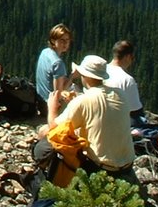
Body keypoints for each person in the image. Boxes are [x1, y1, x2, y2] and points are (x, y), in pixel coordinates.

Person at [38, 54, 137, 187]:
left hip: (100, 168)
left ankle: (48, 180)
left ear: (85, 76)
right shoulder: (121, 94)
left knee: (45, 132)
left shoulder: (83, 101)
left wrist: (52, 107)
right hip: (127, 166)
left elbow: (54, 127)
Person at [105, 40, 145, 123]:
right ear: (127, 56)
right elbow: (135, 111)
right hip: (117, 123)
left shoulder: (99, 72)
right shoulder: (127, 80)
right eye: (132, 58)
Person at [35, 23, 73, 111]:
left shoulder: (45, 52)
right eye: (61, 40)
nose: (65, 43)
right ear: (53, 41)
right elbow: (58, 95)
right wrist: (73, 75)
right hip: (50, 108)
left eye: (67, 40)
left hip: (40, 101)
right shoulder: (58, 63)